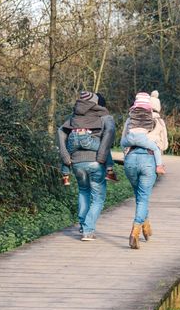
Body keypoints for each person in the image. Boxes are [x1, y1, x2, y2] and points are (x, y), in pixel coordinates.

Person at [57, 91, 116, 241]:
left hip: (77, 163)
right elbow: (109, 134)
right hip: (96, 161)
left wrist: (65, 156)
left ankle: (83, 226)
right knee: (98, 198)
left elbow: (60, 131)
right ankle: (88, 230)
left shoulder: (75, 118)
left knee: (83, 192)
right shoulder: (104, 117)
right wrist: (103, 157)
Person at [122, 91, 169, 249]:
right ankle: (135, 231)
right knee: (143, 197)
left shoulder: (130, 120)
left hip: (130, 160)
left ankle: (146, 227)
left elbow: (123, 141)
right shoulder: (159, 121)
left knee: (140, 196)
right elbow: (164, 145)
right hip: (148, 160)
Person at [59, 92, 118, 185]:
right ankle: (110, 171)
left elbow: (61, 129)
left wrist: (65, 155)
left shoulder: (75, 114)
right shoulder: (99, 113)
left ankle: (65, 176)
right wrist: (101, 157)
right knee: (105, 147)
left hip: (73, 139)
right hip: (86, 139)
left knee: (66, 156)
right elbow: (109, 133)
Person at [120, 92, 166, 174]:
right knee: (155, 149)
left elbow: (125, 133)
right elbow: (163, 140)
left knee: (122, 143)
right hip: (143, 140)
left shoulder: (132, 114)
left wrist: (125, 149)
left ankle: (126, 159)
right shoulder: (155, 118)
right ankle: (159, 166)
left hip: (130, 139)